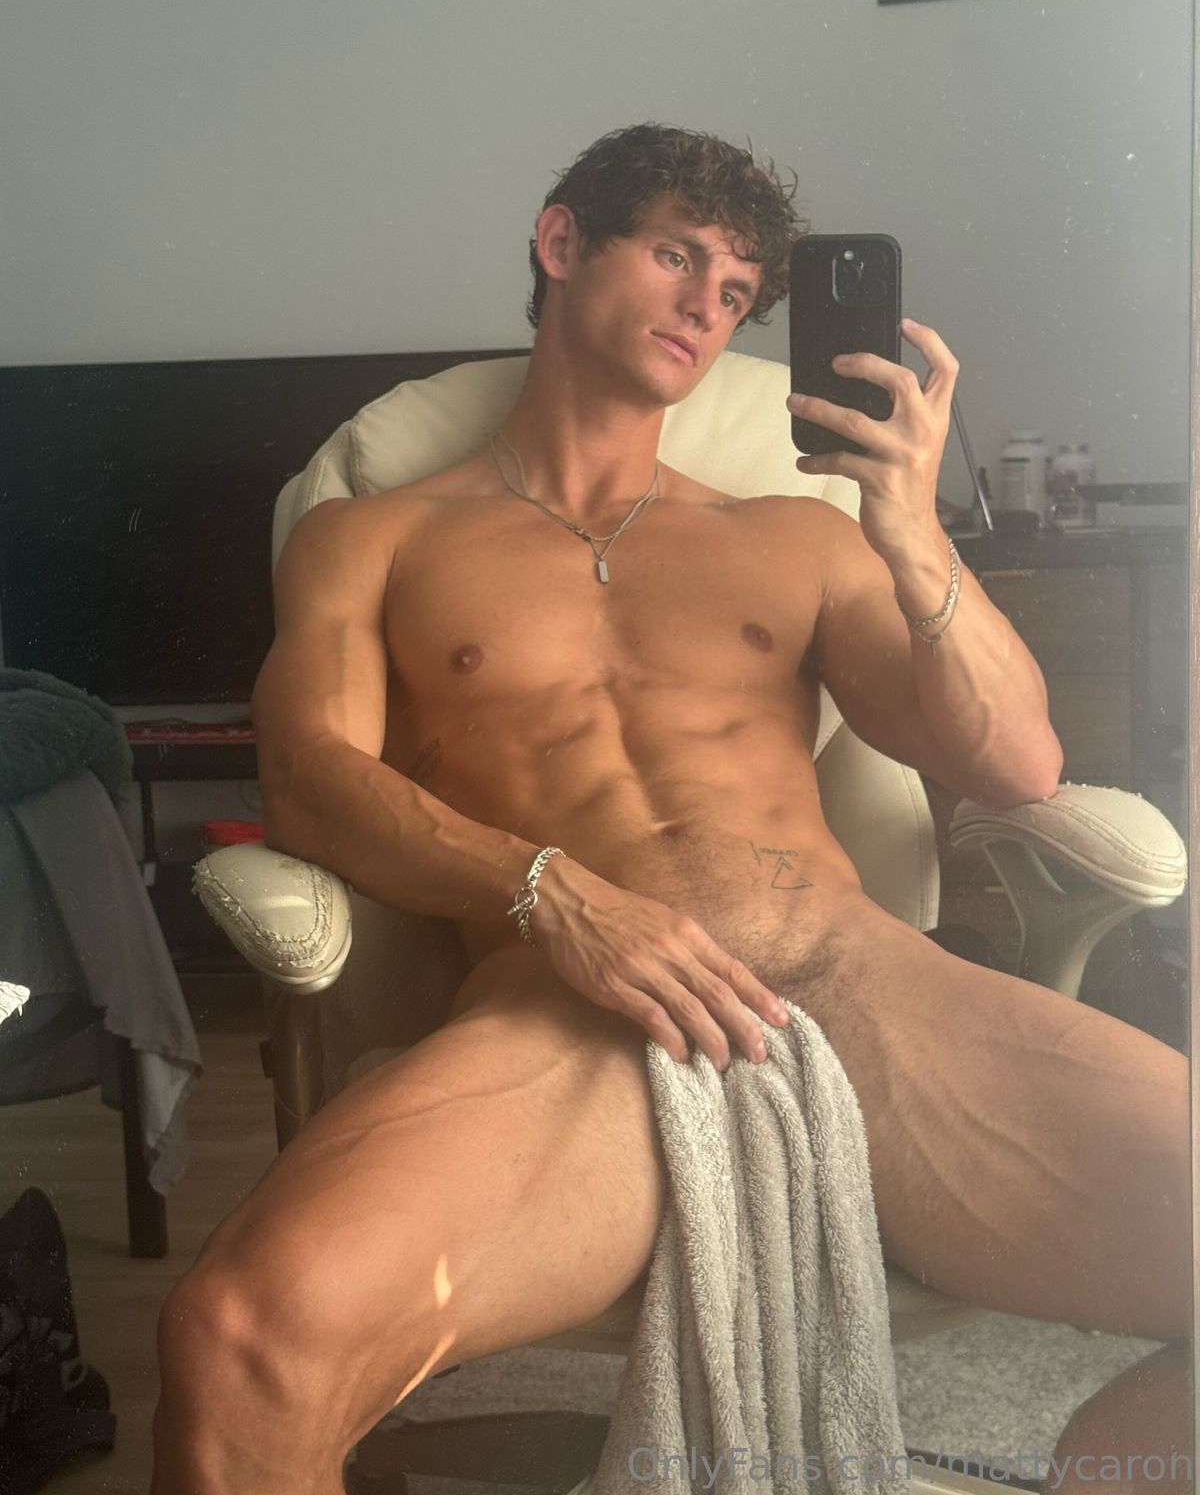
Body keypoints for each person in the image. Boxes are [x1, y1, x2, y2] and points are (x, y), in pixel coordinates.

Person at [151, 123, 1192, 1494]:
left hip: (861, 993)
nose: (711, 303)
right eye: (678, 254)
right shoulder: (376, 537)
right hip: (575, 1015)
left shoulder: (796, 535)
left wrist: (913, 529)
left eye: (738, 288)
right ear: (562, 243)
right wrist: (551, 894)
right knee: (237, 1341)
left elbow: (1016, 763)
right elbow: (309, 781)